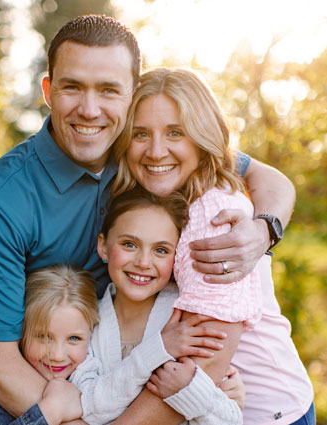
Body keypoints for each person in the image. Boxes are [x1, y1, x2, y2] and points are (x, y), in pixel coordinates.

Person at [0, 14, 296, 422]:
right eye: (72, 87)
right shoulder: (1, 200)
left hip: (115, 376)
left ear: (131, 95)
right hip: (30, 384)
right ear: (48, 90)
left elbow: (264, 176)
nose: (90, 109)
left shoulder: (146, 154)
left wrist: (263, 230)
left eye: (108, 90)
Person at [111, 67, 315, 425]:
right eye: (141, 134)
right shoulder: (170, 197)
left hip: (264, 412)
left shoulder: (212, 214)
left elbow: (206, 356)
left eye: (176, 132)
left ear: (201, 137)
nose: (156, 151)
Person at [70, 186, 244, 425]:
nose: (143, 262)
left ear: (177, 257)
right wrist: (158, 350)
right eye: (129, 244)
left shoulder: (189, 319)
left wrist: (190, 389)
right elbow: (89, 406)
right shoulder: (84, 321)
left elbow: (231, 420)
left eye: (161, 250)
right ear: (103, 246)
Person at [0, 265, 99, 425]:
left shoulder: (94, 373)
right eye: (44, 337)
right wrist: (49, 412)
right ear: (22, 334)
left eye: (74, 338)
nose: (58, 356)